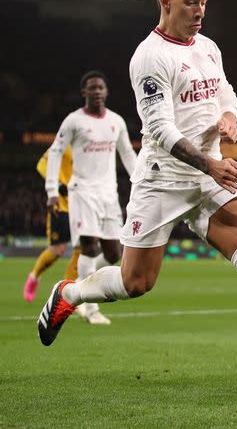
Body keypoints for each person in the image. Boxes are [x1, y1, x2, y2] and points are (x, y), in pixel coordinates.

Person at [37, 0, 237, 390]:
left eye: (204, 2)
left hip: (210, 176)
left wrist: (228, 116)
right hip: (163, 178)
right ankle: (68, 294)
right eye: (191, 2)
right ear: (165, 2)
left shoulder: (208, 46)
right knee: (136, 283)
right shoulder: (150, 58)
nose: (200, 11)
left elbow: (226, 91)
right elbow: (162, 131)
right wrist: (212, 164)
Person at [42, 71, 137, 325]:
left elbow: (127, 154)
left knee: (114, 252)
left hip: (108, 193)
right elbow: (55, 152)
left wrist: (140, 182)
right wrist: (52, 191)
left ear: (106, 92)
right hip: (82, 191)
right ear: (84, 92)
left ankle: (78, 286)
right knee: (90, 247)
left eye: (100, 88)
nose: (96, 91)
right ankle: (90, 308)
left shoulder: (116, 121)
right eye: (91, 88)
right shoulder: (73, 121)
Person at [24, 147, 82, 305]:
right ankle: (34, 276)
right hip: (61, 206)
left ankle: (66, 291)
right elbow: (41, 164)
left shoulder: (92, 145)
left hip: (82, 205)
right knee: (58, 250)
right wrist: (57, 184)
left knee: (82, 248)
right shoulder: (65, 143)